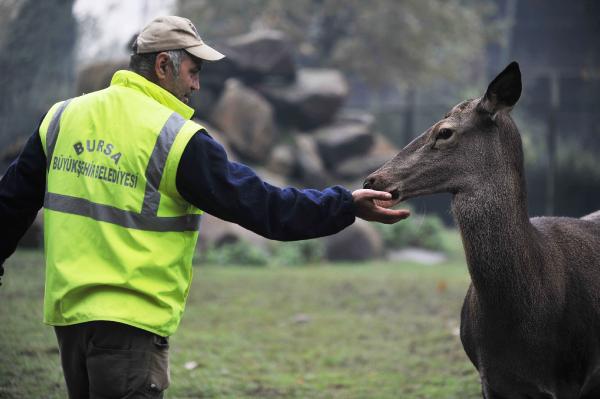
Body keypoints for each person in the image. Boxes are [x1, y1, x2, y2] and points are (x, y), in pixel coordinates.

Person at [0, 16, 409, 398]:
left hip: (68, 321)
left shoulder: (61, 118)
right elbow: (265, 206)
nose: (196, 86)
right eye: (193, 71)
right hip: (130, 329)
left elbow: (10, 203)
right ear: (163, 65)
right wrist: (345, 205)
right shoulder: (176, 139)